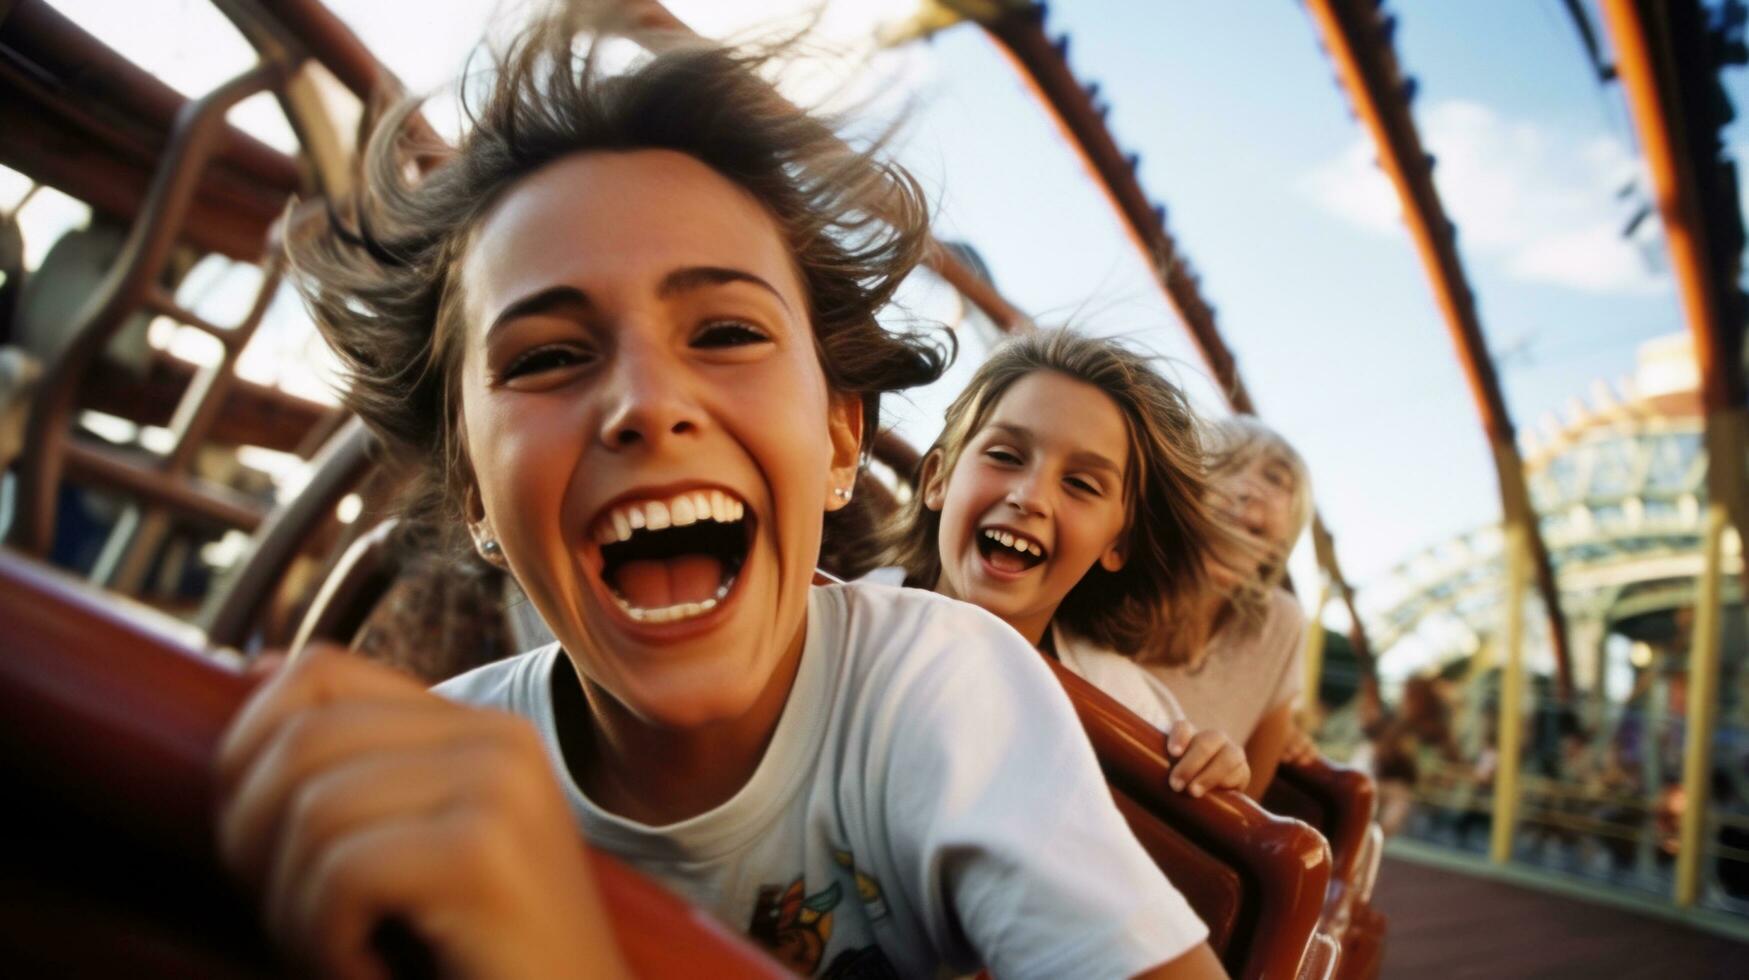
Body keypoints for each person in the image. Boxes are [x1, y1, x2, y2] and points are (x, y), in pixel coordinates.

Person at [213, 12, 1226, 979]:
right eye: (550, 356)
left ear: (840, 436)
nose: (648, 404)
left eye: (728, 333)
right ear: (474, 488)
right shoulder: (417, 778)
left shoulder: (939, 689)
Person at [874, 329, 1252, 798]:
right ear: (938, 479)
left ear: (1119, 543)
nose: (1030, 497)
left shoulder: (1129, 713)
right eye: (1005, 455)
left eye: (1081, 485)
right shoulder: (829, 622)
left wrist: (1211, 772)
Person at [1147, 417, 1313, 797]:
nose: (1249, 488)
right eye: (1229, 465)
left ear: (1281, 542)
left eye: (1275, 478)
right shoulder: (1110, 575)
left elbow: (1249, 799)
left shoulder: (1280, 625)